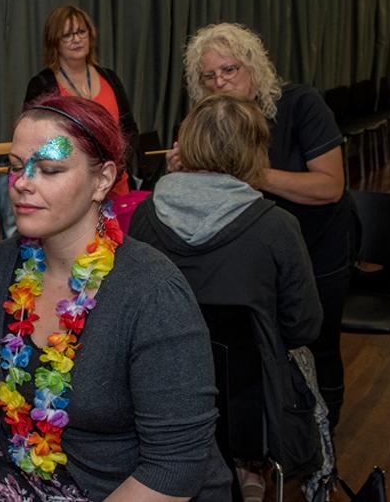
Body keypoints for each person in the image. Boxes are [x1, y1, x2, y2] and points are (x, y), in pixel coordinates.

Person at [0, 94, 231, 502]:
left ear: (103, 180)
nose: (23, 183)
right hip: (26, 475)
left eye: (50, 169)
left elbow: (175, 466)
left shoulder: (153, 294)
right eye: (18, 167)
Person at [129, 93, 325, 500]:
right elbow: (304, 325)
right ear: (255, 152)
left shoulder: (145, 218)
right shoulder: (277, 227)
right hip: (251, 414)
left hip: (158, 407)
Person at [169, 23, 355, 429]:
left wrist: (252, 173)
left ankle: (322, 436)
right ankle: (263, 443)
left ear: (253, 68)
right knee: (250, 351)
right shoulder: (209, 120)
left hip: (317, 247)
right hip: (250, 257)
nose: (220, 81)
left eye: (230, 69)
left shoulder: (301, 104)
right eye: (209, 75)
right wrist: (187, 173)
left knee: (318, 346)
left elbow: (331, 187)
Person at [24, 4, 139, 195]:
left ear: (90, 35)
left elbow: (130, 130)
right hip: (69, 190)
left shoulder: (110, 77)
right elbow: (35, 139)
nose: (76, 39)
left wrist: (117, 164)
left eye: (81, 32)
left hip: (115, 183)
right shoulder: (42, 85)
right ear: (55, 42)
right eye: (67, 35)